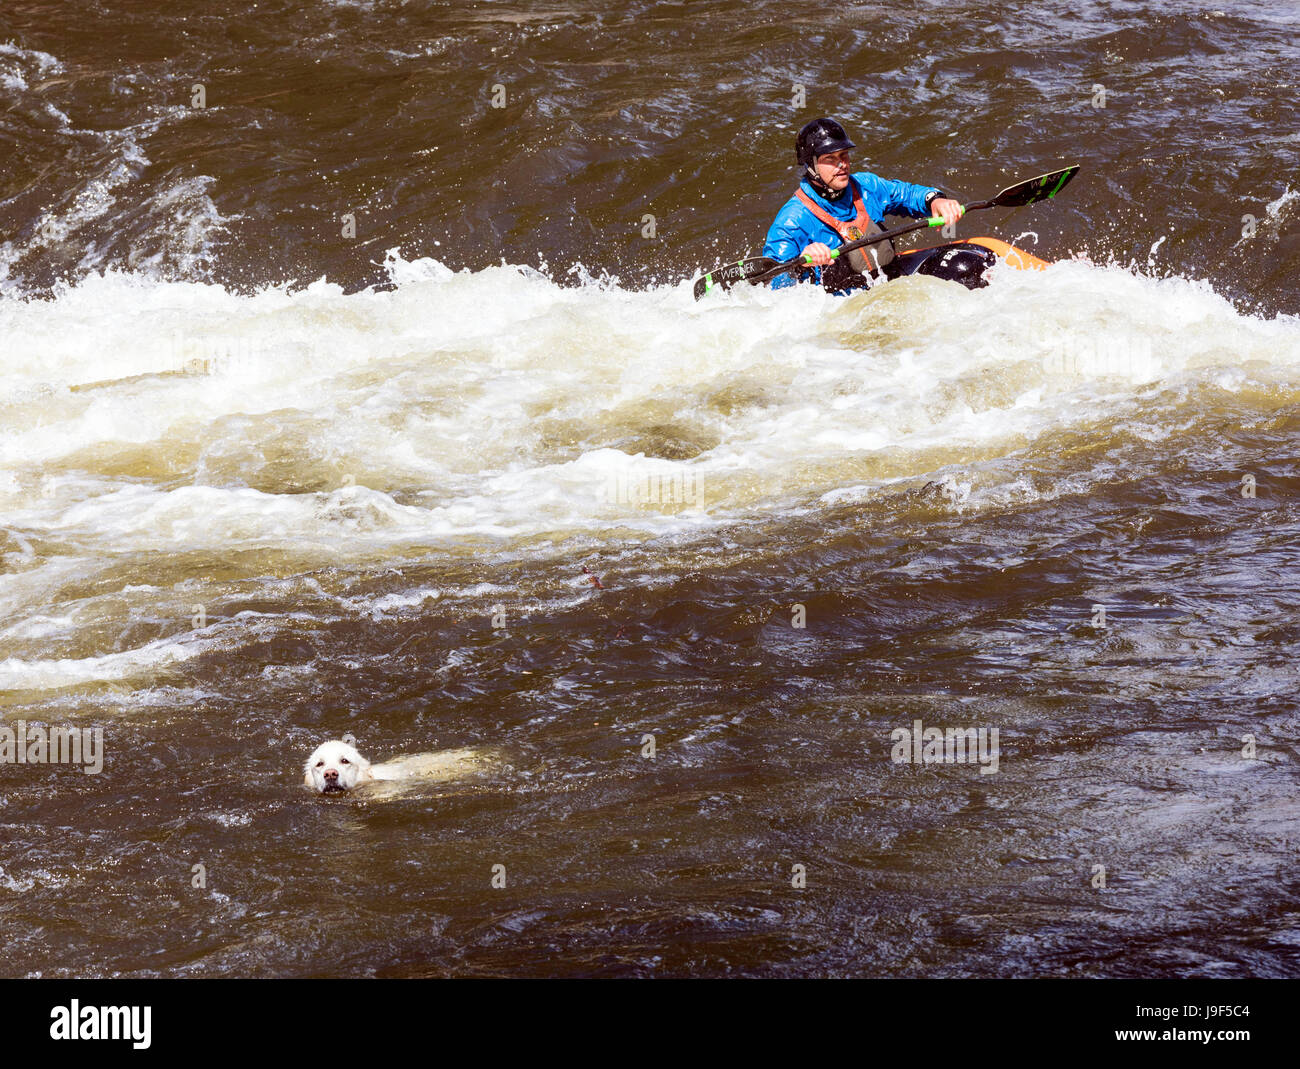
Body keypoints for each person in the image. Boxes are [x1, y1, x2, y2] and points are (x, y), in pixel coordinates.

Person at [763, 117, 965, 293]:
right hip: (844, 306)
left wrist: (935, 200)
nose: (842, 164)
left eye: (844, 155)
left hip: (889, 279)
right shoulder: (792, 221)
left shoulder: (866, 185)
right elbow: (774, 285)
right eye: (830, 159)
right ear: (811, 166)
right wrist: (802, 265)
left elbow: (907, 195)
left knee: (964, 264)